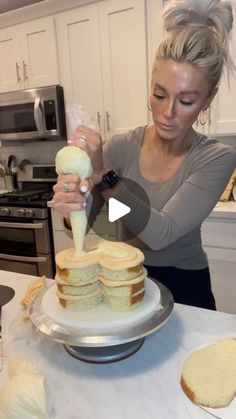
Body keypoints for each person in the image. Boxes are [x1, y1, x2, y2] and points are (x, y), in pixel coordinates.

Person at [52, 0, 236, 310]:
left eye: (187, 101)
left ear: (207, 100)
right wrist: (73, 209)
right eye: (159, 94)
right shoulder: (122, 146)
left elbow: (160, 234)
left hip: (185, 288)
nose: (167, 113)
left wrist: (101, 177)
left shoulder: (215, 158)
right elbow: (101, 217)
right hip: (124, 280)